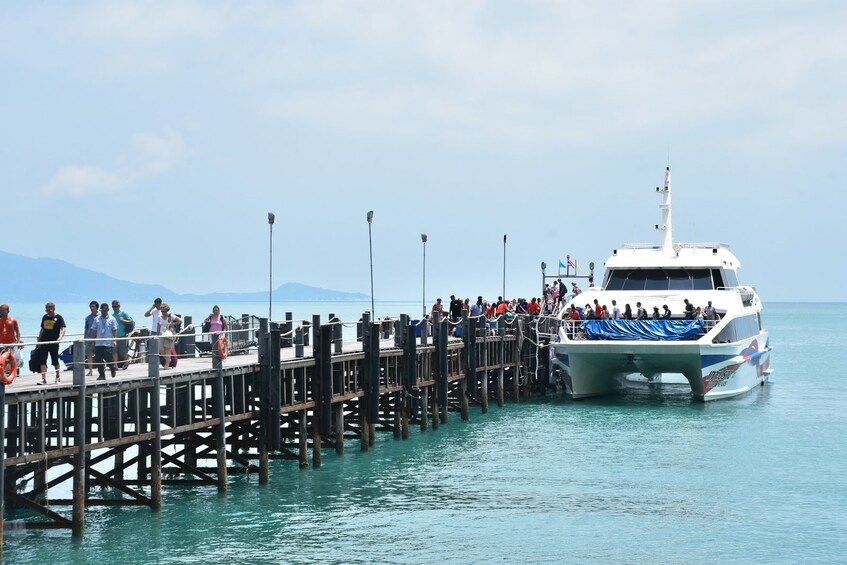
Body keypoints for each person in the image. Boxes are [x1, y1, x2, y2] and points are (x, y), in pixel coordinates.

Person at [37, 302, 66, 384]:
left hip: (53, 342)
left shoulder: (59, 318)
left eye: (49, 309)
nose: (48, 311)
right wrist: (39, 341)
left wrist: (60, 338)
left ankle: (58, 376)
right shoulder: (45, 317)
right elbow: (42, 329)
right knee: (42, 360)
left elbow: (63, 329)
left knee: (55, 360)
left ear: (53, 309)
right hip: (44, 342)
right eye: (46, 309)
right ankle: (43, 379)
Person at [89, 302, 117, 380]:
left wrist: (115, 340)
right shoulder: (97, 319)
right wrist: (93, 341)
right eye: (102, 310)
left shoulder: (112, 319)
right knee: (99, 359)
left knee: (108, 357)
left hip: (108, 343)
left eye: (105, 310)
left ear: (108, 310)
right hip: (99, 342)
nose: (104, 312)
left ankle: (112, 367)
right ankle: (101, 375)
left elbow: (114, 330)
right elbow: (94, 331)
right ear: (100, 310)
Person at [158, 303, 182, 368]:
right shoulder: (159, 317)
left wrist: (173, 323)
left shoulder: (171, 316)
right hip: (162, 334)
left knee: (167, 349)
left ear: (167, 311)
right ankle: (168, 359)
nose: (163, 312)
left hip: (169, 333)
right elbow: (158, 326)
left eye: (164, 311)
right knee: (161, 349)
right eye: (162, 311)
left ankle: (167, 364)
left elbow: (180, 321)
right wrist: (157, 335)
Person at [112, 300, 133, 370]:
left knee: (123, 351)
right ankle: (115, 365)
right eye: (113, 307)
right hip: (114, 336)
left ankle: (126, 362)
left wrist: (123, 320)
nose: (114, 308)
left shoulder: (123, 314)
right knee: (114, 351)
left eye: (116, 306)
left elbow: (131, 321)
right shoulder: (112, 316)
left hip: (122, 335)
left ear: (119, 306)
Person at [0, 304, 23, 370]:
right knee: (2, 359)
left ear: (7, 311)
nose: (1, 312)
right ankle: (4, 374)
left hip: (11, 343)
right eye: (0, 310)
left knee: (11, 359)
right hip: (1, 344)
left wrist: (18, 341)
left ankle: (11, 373)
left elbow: (18, 332)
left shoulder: (13, 320)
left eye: (3, 310)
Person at [84, 300, 99, 376]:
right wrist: (84, 338)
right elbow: (86, 328)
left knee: (100, 355)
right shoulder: (88, 318)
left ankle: (101, 370)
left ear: (97, 308)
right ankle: (90, 371)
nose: (92, 308)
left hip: (98, 339)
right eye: (91, 306)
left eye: (93, 306)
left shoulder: (100, 317)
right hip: (89, 338)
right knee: (89, 355)